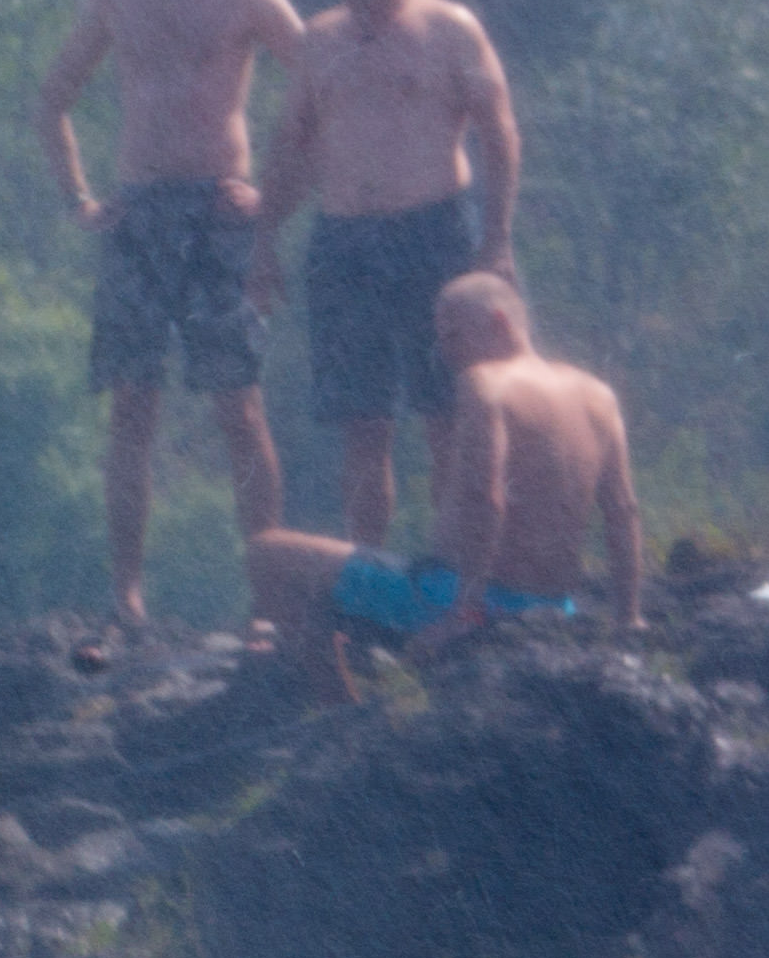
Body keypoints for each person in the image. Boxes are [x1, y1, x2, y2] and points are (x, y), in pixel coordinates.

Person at [33, 0, 304, 630]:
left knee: (238, 408)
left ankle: (269, 593)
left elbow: (318, 83)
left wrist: (271, 197)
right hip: (138, 210)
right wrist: (78, 198)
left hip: (220, 213)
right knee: (131, 407)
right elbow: (51, 99)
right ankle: (126, 594)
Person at [250, 0, 522, 553]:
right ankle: (368, 571)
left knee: (447, 415)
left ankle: (457, 568)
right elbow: (290, 146)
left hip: (431, 233)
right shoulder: (318, 41)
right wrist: (262, 239)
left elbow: (498, 133)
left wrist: (495, 240)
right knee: (360, 423)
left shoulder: (448, 30)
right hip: (344, 239)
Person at [243, 271, 639, 695]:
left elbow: (486, 498)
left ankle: (337, 709)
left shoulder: (487, 384)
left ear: (500, 323)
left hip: (466, 600)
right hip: (557, 606)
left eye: (453, 336)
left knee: (267, 553)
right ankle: (359, 662)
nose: (444, 352)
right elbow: (622, 511)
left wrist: (464, 614)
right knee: (356, 569)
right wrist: (629, 619)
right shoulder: (598, 395)